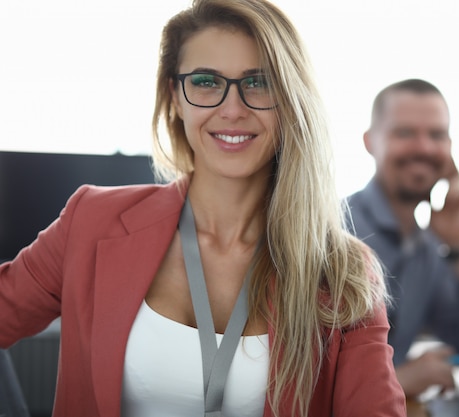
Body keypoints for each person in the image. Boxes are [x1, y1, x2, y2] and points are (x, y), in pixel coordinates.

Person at [0, 1, 407, 416]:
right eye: (206, 81)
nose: (233, 109)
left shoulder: (341, 269)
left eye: (259, 83)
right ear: (175, 98)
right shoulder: (92, 220)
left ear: (289, 101)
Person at [346, 79, 459, 398]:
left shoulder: (428, 249)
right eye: (405, 133)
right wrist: (399, 379)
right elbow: (303, 382)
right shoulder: (335, 234)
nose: (424, 147)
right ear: (370, 142)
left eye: (436, 135)